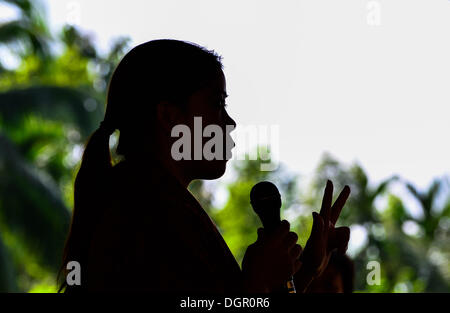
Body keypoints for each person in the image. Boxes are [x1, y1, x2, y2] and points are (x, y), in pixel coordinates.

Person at [57, 39, 351, 293]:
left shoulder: (155, 201)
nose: (230, 122)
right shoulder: (146, 211)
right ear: (168, 116)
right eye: (217, 104)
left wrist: (307, 269)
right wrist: (255, 282)